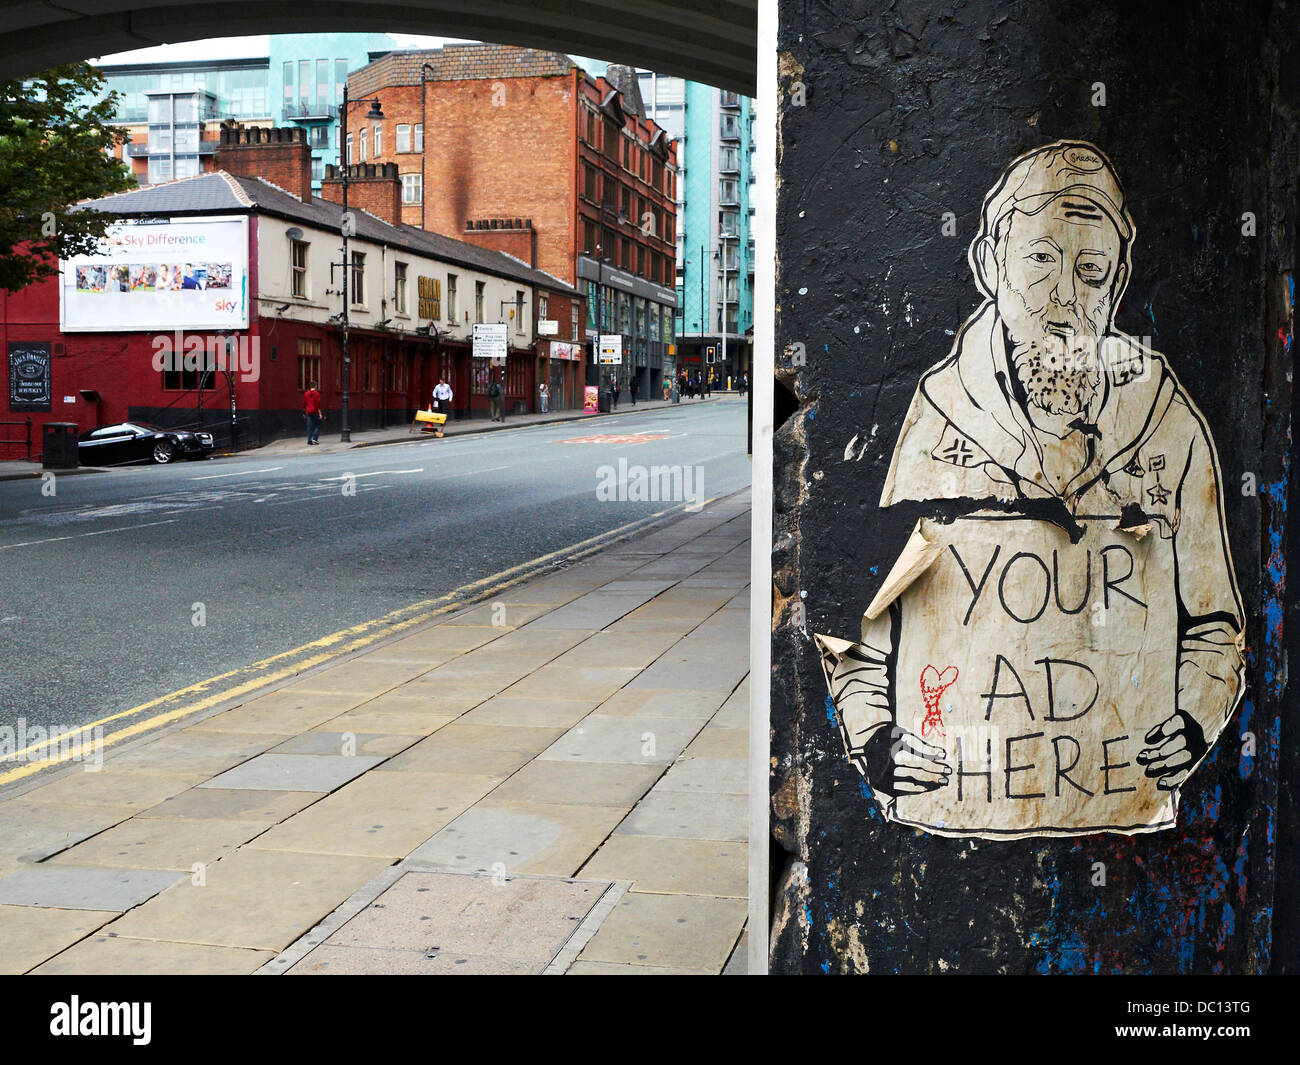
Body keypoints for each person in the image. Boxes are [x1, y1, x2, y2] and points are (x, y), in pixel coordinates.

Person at [815, 140, 1244, 838]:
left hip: (1112, 801)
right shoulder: (935, 416)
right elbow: (860, 622)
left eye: (1091, 269)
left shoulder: (1164, 419)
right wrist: (874, 737)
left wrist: (1195, 716)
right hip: (954, 824)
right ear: (991, 264)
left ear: (1117, 284)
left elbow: (1216, 622)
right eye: (1041, 257)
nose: (1065, 296)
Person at [303, 381, 322, 445]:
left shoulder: (306, 394)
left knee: (309, 426)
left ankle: (309, 440)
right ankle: (315, 439)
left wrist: (304, 412)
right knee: (318, 425)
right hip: (315, 411)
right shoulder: (317, 394)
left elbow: (304, 403)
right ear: (315, 386)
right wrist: (320, 413)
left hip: (308, 412)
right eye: (316, 385)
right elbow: (318, 405)